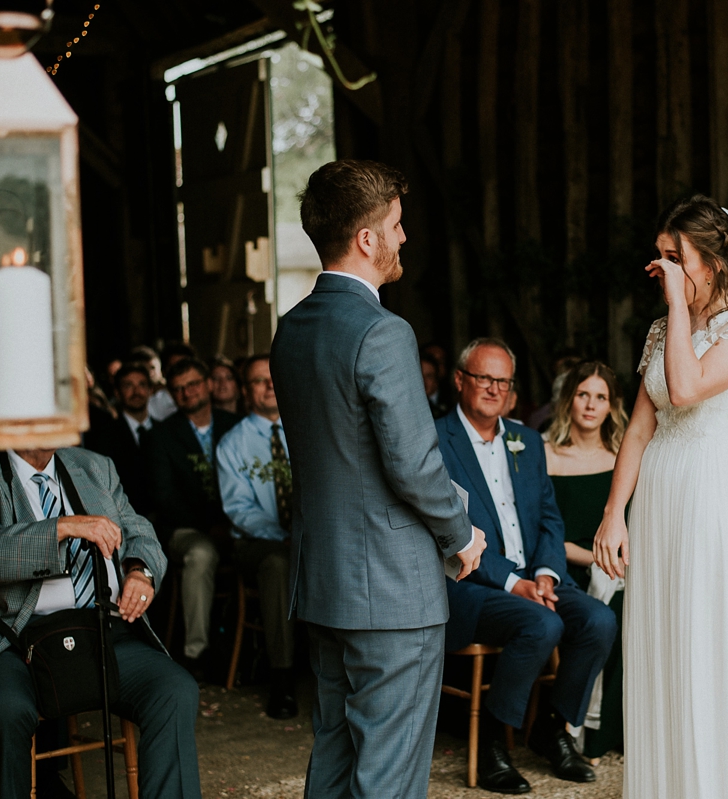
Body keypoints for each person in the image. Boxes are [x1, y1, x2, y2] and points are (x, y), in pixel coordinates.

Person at [271, 159, 485, 799]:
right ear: (366, 239)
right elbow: (414, 466)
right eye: (396, 224)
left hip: (326, 580)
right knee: (389, 778)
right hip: (392, 591)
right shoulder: (382, 332)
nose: (403, 237)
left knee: (334, 759)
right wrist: (461, 534)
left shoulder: (292, 331)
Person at [594, 196, 728, 798]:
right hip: (660, 496)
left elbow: (687, 386)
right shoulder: (661, 329)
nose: (663, 268)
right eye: (660, 256)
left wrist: (678, 305)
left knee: (709, 647)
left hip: (710, 495)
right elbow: (643, 426)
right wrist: (613, 513)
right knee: (663, 650)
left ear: (716, 263)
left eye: (676, 257)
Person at [0, 446, 202, 798]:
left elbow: (140, 532)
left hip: (100, 630)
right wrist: (60, 527)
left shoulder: (95, 466)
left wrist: (141, 571)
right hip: (14, 639)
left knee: (174, 690)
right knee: (2, 710)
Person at [436, 339, 617, 793]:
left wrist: (544, 573)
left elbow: (550, 520)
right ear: (460, 380)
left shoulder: (526, 440)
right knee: (541, 624)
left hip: (531, 579)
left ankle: (551, 728)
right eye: (484, 378)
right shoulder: (435, 440)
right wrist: (512, 581)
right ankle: (495, 742)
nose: (494, 389)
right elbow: (446, 529)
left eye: (503, 381)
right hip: (469, 584)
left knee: (598, 619)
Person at [543, 360, 628, 759]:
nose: (591, 405)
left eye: (601, 397)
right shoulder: (546, 454)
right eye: (583, 395)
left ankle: (625, 727)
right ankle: (587, 732)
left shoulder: (623, 458)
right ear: (568, 400)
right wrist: (595, 559)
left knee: (637, 604)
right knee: (608, 609)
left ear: (612, 406)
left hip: (616, 565)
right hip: (565, 566)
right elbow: (540, 535)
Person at [145, 357, 239, 677]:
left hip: (237, 524)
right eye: (178, 389)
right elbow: (164, 496)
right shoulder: (161, 435)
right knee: (201, 554)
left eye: (193, 384)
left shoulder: (234, 424)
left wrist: (233, 524)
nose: (187, 393)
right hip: (184, 529)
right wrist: (211, 527)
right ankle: (196, 653)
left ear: (209, 384)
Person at [215, 355, 297, 719]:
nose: (269, 386)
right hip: (255, 543)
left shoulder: (306, 428)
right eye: (259, 381)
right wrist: (284, 537)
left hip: (306, 535)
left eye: (274, 377)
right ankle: (283, 679)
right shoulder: (233, 443)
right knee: (279, 564)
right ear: (247, 392)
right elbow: (239, 509)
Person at [87, 363, 157, 518]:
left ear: (151, 390)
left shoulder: (166, 430)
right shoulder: (105, 436)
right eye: (128, 386)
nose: (136, 391)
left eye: (142, 385)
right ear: (117, 393)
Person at [422, 352, 450, 418]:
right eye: (420, 376)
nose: (423, 381)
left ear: (436, 378)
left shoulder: (450, 400)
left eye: (429, 376)